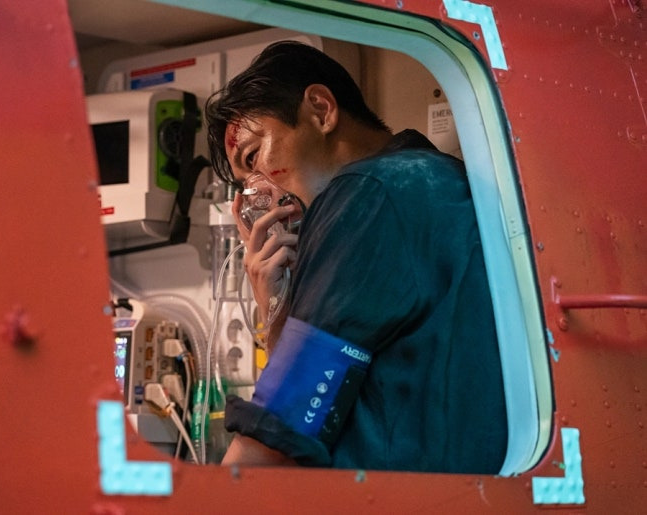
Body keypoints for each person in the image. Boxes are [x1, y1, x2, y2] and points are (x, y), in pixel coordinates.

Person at [204, 40, 507, 473]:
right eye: (245, 184)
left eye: (254, 157)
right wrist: (279, 303)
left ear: (321, 110)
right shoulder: (432, 178)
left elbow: (282, 432)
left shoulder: (366, 194)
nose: (258, 194)